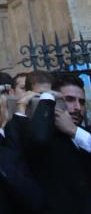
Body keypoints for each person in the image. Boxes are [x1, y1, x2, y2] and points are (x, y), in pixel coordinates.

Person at [21, 74, 91, 213]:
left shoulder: (84, 133)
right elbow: (38, 139)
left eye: (81, 102)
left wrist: (74, 131)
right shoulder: (41, 134)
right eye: (69, 100)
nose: (77, 107)